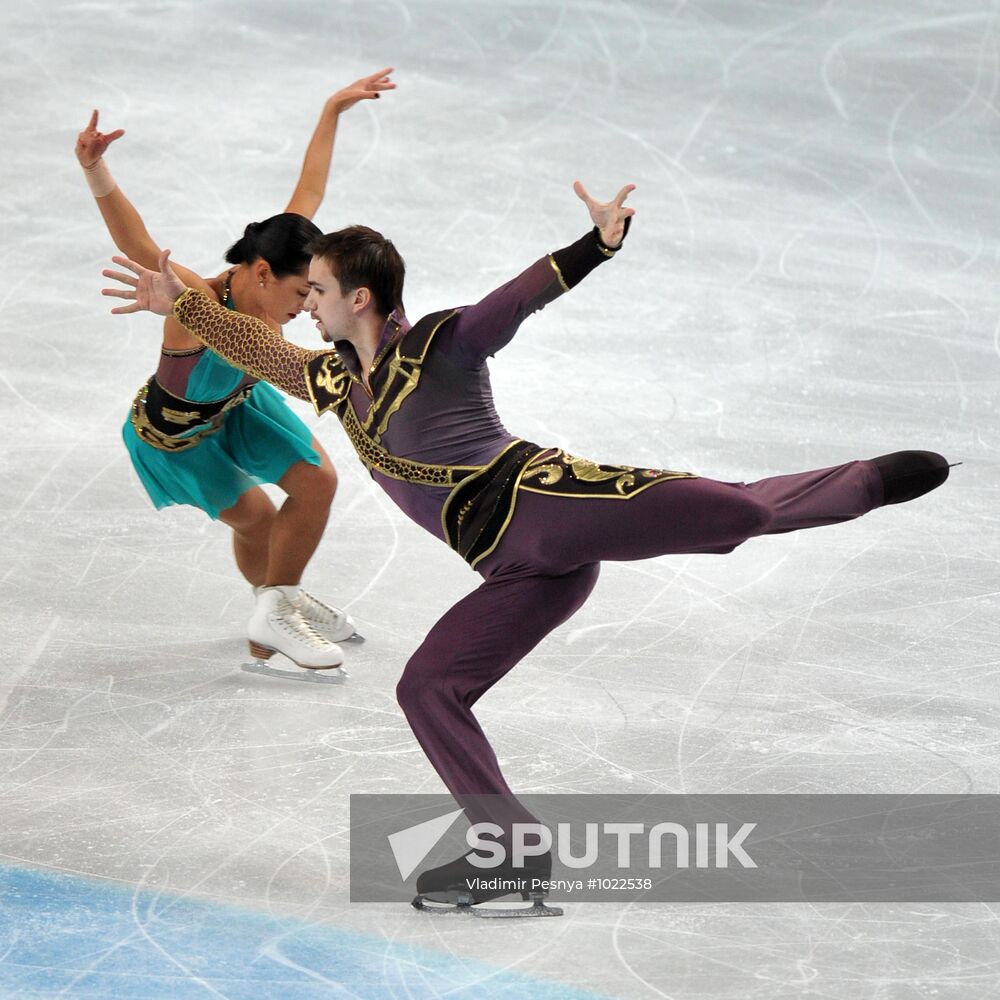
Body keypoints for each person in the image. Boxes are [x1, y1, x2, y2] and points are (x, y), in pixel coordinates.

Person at [101, 181, 951, 913]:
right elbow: (255, 344)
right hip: (516, 569)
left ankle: (868, 481)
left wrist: (598, 244)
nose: (308, 303)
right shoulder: (334, 379)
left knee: (731, 512)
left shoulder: (440, 343)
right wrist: (176, 304)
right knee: (428, 687)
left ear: (359, 297)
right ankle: (509, 851)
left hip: (557, 508)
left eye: (318, 289)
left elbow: (516, 299)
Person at [77, 69, 395, 673]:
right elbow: (139, 241)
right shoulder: (194, 302)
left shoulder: (280, 257)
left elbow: (311, 191)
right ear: (260, 274)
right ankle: (270, 621)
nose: (308, 308)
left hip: (239, 406)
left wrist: (331, 107)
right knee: (260, 520)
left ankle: (281, 604)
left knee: (318, 482)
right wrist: (95, 169)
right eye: (302, 292)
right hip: (176, 437)